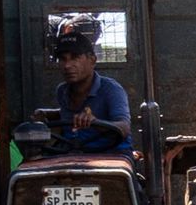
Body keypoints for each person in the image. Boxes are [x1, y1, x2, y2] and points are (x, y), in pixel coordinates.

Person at [37, 17, 132, 155]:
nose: (67, 65)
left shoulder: (111, 90)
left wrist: (96, 122)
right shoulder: (62, 91)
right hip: (73, 155)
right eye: (63, 59)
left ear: (92, 60)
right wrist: (47, 114)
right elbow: (67, 115)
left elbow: (124, 127)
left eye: (75, 58)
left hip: (112, 156)